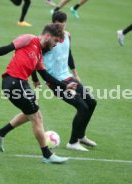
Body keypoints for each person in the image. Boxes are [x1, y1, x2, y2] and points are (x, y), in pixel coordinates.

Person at [0, 23, 78, 164]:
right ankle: (47, 154)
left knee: (31, 114)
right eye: (55, 40)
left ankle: (0, 133)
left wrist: (66, 86)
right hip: (14, 81)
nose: (55, 44)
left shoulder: (39, 54)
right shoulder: (29, 39)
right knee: (37, 118)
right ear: (47, 36)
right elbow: (7, 48)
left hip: (21, 83)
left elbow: (45, 76)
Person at [32, 11, 97, 151]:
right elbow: (34, 61)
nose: (60, 29)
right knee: (82, 106)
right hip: (55, 82)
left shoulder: (67, 35)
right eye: (58, 26)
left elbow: (69, 54)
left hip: (68, 77)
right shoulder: (47, 41)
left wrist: (75, 74)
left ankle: (80, 136)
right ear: (53, 23)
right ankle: (73, 143)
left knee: (91, 102)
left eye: (63, 25)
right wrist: (35, 79)